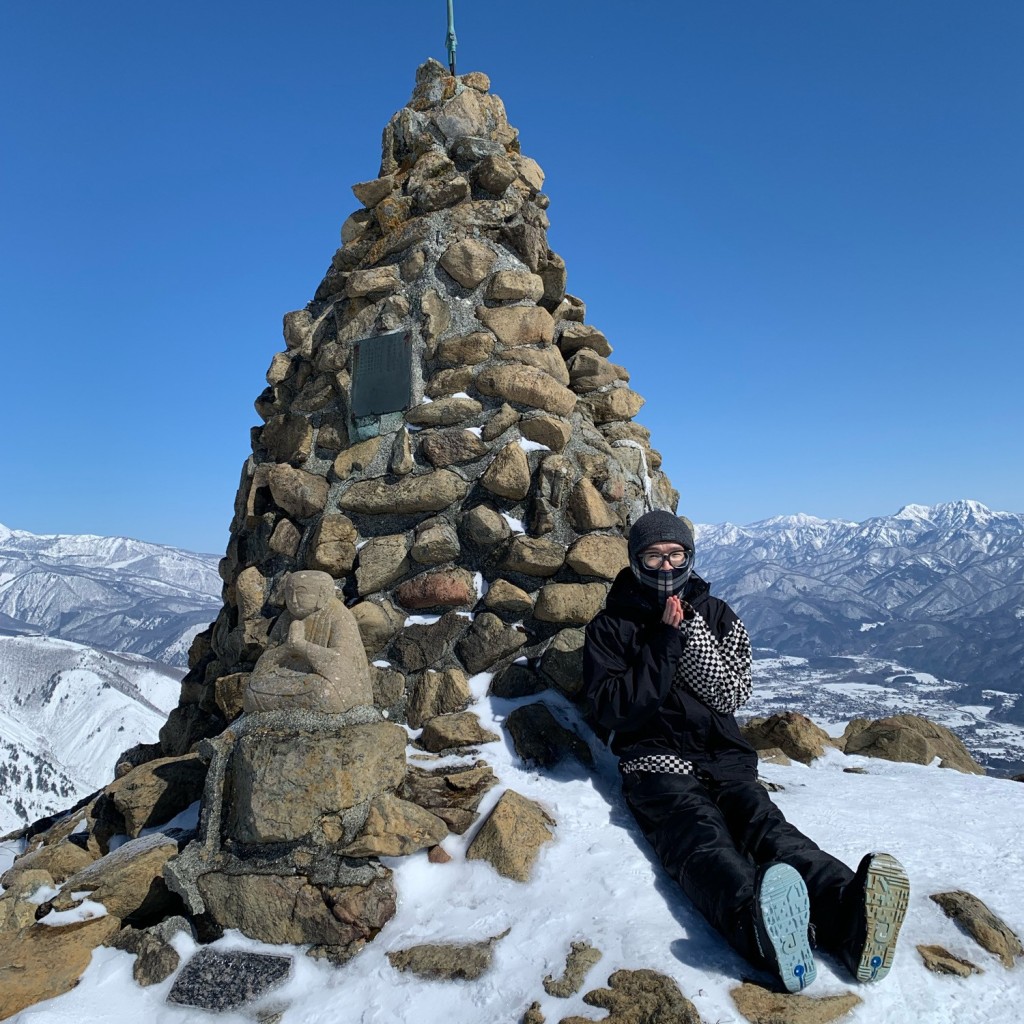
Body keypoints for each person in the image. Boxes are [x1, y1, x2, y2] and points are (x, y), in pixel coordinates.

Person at [582, 509, 910, 992]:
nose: (667, 567)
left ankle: (850, 918)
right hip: (655, 762)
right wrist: (663, 642)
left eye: (676, 555)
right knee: (700, 840)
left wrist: (689, 635)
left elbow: (732, 694)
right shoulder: (611, 628)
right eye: (654, 557)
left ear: (690, 557)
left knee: (772, 833)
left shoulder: (717, 616)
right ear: (635, 561)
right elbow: (614, 709)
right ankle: (759, 928)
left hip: (724, 758)